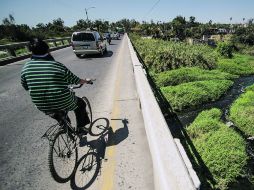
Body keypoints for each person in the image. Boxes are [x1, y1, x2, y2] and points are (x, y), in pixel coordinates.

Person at [21, 38, 91, 134]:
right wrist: (86, 81)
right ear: (47, 50)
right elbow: (75, 80)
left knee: (59, 114)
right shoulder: (56, 65)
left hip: (41, 104)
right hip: (61, 99)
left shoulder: (26, 67)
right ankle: (80, 128)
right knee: (81, 104)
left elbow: (26, 87)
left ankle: (67, 130)